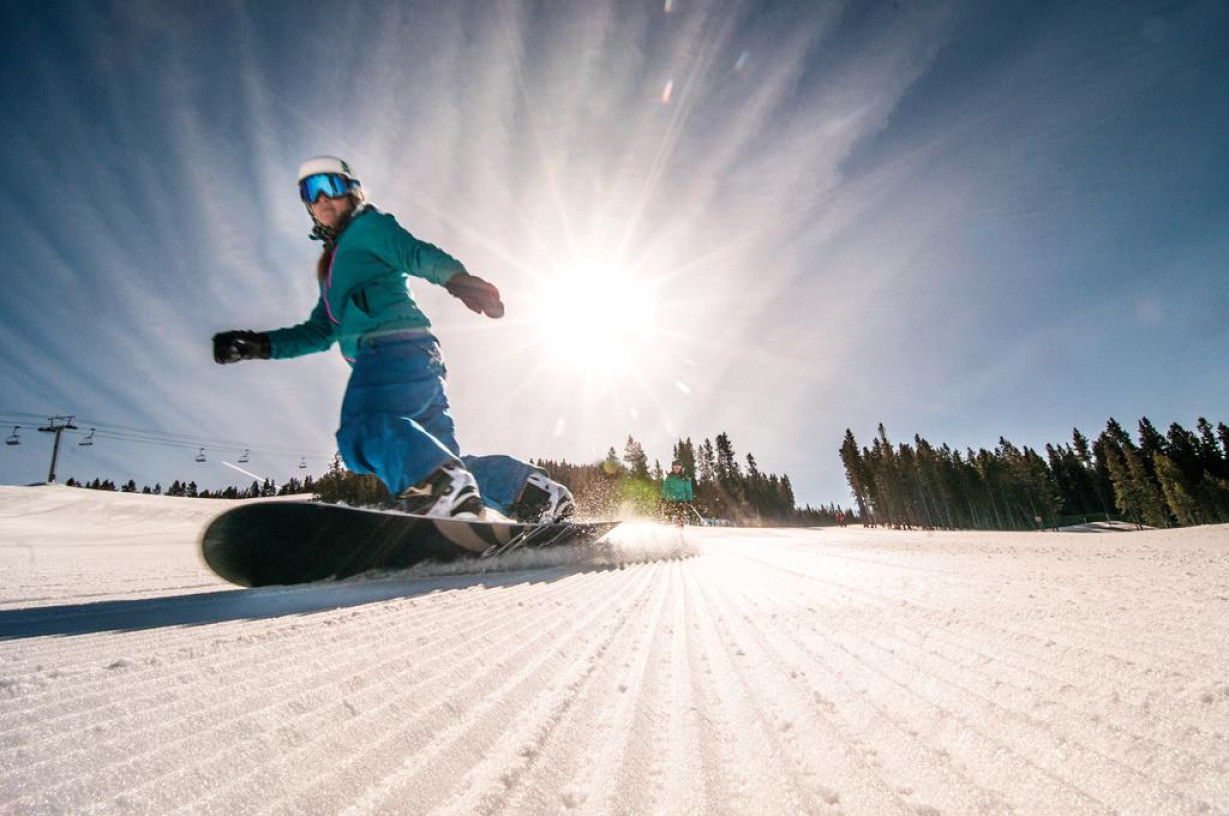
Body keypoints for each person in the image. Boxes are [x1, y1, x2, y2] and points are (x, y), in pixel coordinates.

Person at [212, 156, 574, 521]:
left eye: (331, 186)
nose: (323, 198)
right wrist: (260, 345)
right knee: (438, 461)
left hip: (391, 348)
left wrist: (457, 279)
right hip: (416, 355)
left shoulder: (367, 226)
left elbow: (414, 253)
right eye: (310, 191)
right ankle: (531, 494)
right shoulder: (330, 269)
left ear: (352, 191)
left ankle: (444, 495)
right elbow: (321, 330)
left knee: (364, 432)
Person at [660, 460, 695, 526]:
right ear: (672, 468)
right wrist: (663, 497)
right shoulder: (669, 478)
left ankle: (679, 529)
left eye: (678, 467)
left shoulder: (685, 478)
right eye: (675, 466)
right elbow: (665, 488)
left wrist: (689, 499)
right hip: (670, 500)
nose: (677, 468)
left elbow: (688, 490)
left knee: (680, 516)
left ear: (681, 468)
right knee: (668, 516)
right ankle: (666, 526)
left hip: (681, 500)